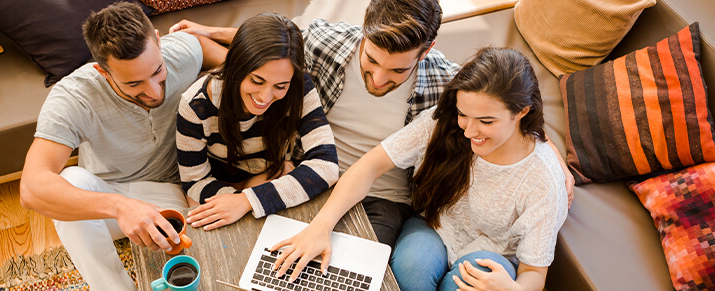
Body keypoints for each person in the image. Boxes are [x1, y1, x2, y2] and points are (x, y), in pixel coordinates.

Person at [169, 0, 575, 250]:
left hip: (384, 199)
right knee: (263, 254)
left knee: (343, 275)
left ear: (427, 48)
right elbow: (275, 42)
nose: (380, 79)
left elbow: (504, 104)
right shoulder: (328, 42)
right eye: (372, 61)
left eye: (397, 70)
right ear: (364, 32)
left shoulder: (446, 84)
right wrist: (208, 31)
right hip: (309, 173)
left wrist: (544, 146)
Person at [270, 47, 569, 291]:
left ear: (522, 112)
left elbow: (534, 277)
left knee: (473, 276)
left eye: (486, 121)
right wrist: (321, 226)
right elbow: (369, 166)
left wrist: (515, 290)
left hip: (494, 278)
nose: (469, 130)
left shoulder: (543, 180)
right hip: (434, 229)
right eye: (463, 114)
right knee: (413, 272)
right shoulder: (444, 123)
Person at [19, 2, 226, 291]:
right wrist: (120, 206)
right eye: (134, 83)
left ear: (159, 42)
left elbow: (240, 60)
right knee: (70, 180)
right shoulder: (73, 95)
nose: (154, 90)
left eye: (157, 72)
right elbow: (31, 188)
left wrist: (210, 36)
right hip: (107, 194)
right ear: (103, 71)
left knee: (196, 268)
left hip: (169, 190)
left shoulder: (181, 51)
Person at [176, 13, 338, 230]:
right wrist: (239, 197)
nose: (264, 97)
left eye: (280, 86)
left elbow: (326, 165)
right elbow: (195, 181)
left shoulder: (300, 87)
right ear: (236, 67)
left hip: (269, 180)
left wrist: (248, 200)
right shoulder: (196, 104)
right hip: (220, 187)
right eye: (256, 81)